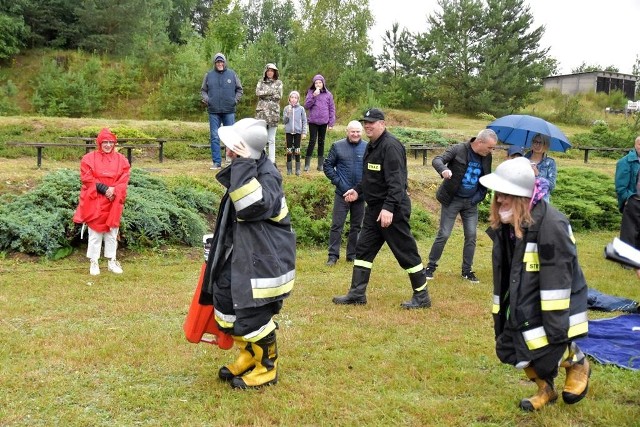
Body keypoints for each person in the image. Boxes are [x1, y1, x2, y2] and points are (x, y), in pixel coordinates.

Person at [479, 157, 590, 411]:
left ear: (521, 196)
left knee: (543, 351)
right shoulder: (510, 223)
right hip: (523, 299)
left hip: (553, 306)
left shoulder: (552, 225)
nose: (499, 201)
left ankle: (577, 361)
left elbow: (557, 283)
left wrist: (557, 331)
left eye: (506, 195)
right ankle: (546, 389)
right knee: (510, 349)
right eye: (498, 195)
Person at [198, 118, 296, 389]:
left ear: (245, 152)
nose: (228, 152)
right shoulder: (249, 167)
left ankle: (267, 368)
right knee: (226, 310)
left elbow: (250, 206)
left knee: (253, 318)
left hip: (262, 265)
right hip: (240, 257)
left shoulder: (267, 176)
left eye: (233, 149)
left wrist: (242, 164)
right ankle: (250, 355)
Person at [332, 109, 431, 309]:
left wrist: (388, 208)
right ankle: (357, 293)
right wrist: (357, 191)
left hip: (392, 209)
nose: (367, 125)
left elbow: (397, 182)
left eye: (372, 122)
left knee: (406, 251)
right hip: (374, 209)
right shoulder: (372, 146)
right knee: (363, 249)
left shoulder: (391, 146)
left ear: (382, 124)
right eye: (365, 122)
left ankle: (422, 296)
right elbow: (370, 177)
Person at [426, 129, 497, 283]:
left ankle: (467, 271)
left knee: (471, 236)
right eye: (490, 147)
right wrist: (444, 169)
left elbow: (485, 179)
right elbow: (437, 160)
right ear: (480, 142)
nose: (492, 151)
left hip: (471, 202)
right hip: (452, 199)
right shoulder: (458, 149)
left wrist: (476, 199)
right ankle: (430, 267)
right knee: (444, 234)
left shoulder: (487, 157)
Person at [73, 128, 130, 276]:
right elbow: (87, 178)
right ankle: (94, 262)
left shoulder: (121, 160)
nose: (108, 145)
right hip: (96, 200)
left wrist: (114, 190)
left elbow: (124, 179)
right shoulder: (88, 158)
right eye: (105, 142)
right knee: (95, 234)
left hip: (113, 201)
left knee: (112, 232)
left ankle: (112, 261)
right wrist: (105, 189)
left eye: (111, 142)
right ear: (99, 142)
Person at [323, 120, 367, 266]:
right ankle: (333, 256)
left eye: (358, 131)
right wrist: (340, 184)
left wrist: (360, 189)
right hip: (342, 193)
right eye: (352, 131)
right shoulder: (337, 146)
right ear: (347, 132)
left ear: (362, 132)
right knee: (337, 225)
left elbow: (370, 171)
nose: (355, 134)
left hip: (360, 194)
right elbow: (328, 166)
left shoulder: (368, 148)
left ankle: (352, 255)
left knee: (357, 226)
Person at [201, 52, 243, 170]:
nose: (220, 64)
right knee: (215, 136)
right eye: (218, 62)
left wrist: (234, 100)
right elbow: (203, 91)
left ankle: (230, 161)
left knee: (230, 137)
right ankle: (216, 162)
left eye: (221, 62)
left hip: (229, 110)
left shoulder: (232, 74)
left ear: (224, 63)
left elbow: (239, 90)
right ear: (215, 63)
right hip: (213, 111)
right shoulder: (209, 75)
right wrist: (208, 100)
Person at [303, 74, 335, 172]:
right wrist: (313, 96)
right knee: (312, 141)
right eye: (316, 82)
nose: (318, 84)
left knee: (321, 142)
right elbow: (306, 106)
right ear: (314, 84)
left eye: (319, 82)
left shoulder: (328, 94)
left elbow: (332, 108)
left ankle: (320, 164)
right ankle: (307, 164)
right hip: (313, 121)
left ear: (323, 83)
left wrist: (331, 123)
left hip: (324, 122)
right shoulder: (311, 92)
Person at [615, 136, 640, 250]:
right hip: (633, 199)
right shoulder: (625, 161)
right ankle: (626, 259)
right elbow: (620, 186)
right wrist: (627, 198)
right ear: (635, 145)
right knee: (629, 230)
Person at [255, 63, 283, 164]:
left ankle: (272, 162)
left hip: (273, 114)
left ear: (275, 72)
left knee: (271, 139)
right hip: (261, 114)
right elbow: (258, 93)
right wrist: (271, 92)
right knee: (262, 138)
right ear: (265, 72)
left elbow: (278, 96)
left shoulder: (279, 83)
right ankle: (262, 161)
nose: (270, 72)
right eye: (268, 70)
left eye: (272, 71)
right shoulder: (260, 82)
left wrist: (265, 93)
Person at [524, 133, 557, 202]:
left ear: (546, 146)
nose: (537, 145)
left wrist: (538, 174)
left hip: (541, 202)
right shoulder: (524, 159)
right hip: (524, 199)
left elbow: (551, 185)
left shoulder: (550, 163)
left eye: (541, 143)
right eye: (535, 142)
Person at [282, 90, 307, 176]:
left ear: (298, 99)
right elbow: (284, 122)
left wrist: (304, 132)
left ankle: (297, 169)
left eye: (295, 98)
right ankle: (289, 169)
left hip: (298, 132)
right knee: (289, 150)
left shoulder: (301, 109)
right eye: (292, 97)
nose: (293, 99)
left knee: (297, 150)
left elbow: (304, 121)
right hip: (288, 132)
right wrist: (288, 114)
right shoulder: (286, 108)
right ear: (289, 98)